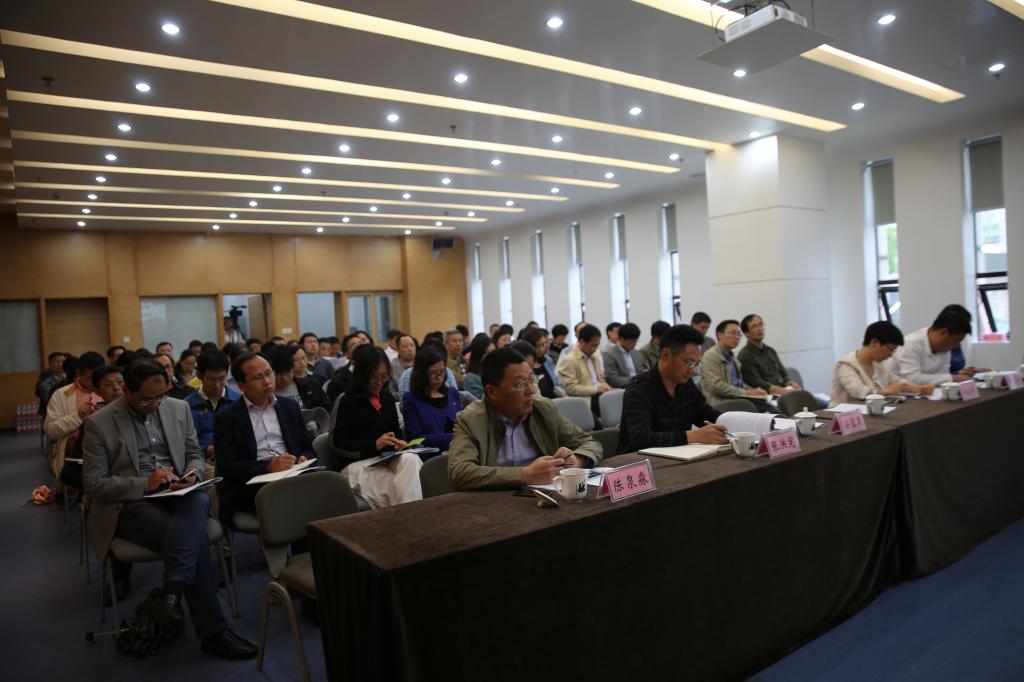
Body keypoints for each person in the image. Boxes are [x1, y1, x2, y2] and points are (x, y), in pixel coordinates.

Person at [84, 359, 257, 659]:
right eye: (145, 400)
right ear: (127, 391)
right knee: (194, 540)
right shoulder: (100, 422)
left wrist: (192, 473)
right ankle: (213, 631)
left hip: (177, 491)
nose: (154, 405)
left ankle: (171, 594)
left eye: (160, 397)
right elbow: (94, 484)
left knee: (199, 499)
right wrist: (145, 483)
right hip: (131, 503)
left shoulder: (178, 408)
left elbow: (194, 454)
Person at [448, 347, 602, 491]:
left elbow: (589, 443)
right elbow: (459, 472)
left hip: (544, 496)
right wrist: (525, 475)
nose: (530, 390)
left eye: (531, 380)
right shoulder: (470, 420)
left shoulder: (543, 409)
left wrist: (576, 461)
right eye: (520, 384)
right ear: (492, 392)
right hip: (494, 501)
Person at [214, 352, 314, 528]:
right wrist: (268, 466)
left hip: (293, 474)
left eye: (269, 373)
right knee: (295, 500)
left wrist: (303, 459)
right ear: (241, 385)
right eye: (258, 378)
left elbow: (307, 447)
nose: (267, 381)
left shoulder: (289, 407)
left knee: (328, 485)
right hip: (254, 483)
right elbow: (227, 466)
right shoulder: (227, 418)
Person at [331, 345, 423, 508]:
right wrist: (374, 444)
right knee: (395, 485)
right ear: (362, 375)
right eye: (374, 377)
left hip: (386, 458)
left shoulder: (387, 399)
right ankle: (414, 518)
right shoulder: (346, 401)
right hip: (357, 464)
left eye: (384, 376)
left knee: (411, 459)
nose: (379, 382)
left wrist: (398, 443)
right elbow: (338, 444)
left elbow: (394, 432)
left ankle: (408, 518)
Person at [617, 325, 727, 453]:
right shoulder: (639, 388)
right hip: (637, 461)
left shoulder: (686, 384)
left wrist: (732, 422)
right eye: (689, 363)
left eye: (696, 364)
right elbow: (640, 439)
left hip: (678, 456)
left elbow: (707, 414)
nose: (692, 370)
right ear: (666, 355)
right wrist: (692, 436)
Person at [831, 321, 934, 406]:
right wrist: (888, 391)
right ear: (874, 342)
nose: (891, 355)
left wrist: (919, 388)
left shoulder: (876, 364)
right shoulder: (845, 364)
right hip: (842, 418)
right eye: (890, 349)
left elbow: (896, 381)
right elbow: (859, 392)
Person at [59, 364, 125, 494]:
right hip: (107, 476)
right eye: (109, 384)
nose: (117, 388)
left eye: (120, 382)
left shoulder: (138, 410)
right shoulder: (94, 420)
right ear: (97, 391)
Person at [45, 351, 105, 479]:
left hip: (106, 454)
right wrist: (77, 416)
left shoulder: (110, 391)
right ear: (78, 373)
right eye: (91, 378)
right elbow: (51, 430)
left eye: (99, 377)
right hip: (75, 457)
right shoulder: (61, 394)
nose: (96, 383)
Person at [401, 346, 463, 452]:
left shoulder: (452, 393)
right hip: (432, 455)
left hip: (460, 450)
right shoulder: (411, 399)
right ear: (422, 373)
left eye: (442, 371)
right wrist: (453, 437)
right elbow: (416, 438)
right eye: (433, 372)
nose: (439, 377)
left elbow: (464, 425)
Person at [891, 309, 976, 385]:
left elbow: (943, 374)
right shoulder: (911, 343)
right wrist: (952, 378)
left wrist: (947, 378)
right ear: (944, 333)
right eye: (956, 341)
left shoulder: (944, 348)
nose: (957, 346)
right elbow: (912, 379)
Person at [700, 319, 769, 409]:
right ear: (719, 335)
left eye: (739, 334)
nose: (737, 337)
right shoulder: (710, 356)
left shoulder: (732, 357)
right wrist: (746, 393)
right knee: (763, 408)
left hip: (737, 399)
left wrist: (753, 390)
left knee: (768, 404)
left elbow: (739, 384)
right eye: (733, 333)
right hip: (720, 403)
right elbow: (716, 386)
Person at [184, 350, 240, 459]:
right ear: (199, 375)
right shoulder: (186, 406)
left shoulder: (239, 401)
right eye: (211, 379)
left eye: (222, 378)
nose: (217, 385)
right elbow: (183, 443)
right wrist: (206, 449)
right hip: (200, 460)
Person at [737, 314, 801, 395]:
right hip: (766, 395)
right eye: (754, 326)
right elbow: (757, 383)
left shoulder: (770, 351)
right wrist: (785, 392)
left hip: (782, 391)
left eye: (761, 324)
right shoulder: (745, 355)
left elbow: (784, 375)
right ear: (746, 333)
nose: (760, 328)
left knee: (809, 399)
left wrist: (792, 383)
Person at [557, 325, 612, 417]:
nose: (595, 349)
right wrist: (596, 389)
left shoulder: (595, 358)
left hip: (600, 397)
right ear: (582, 341)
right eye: (593, 345)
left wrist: (609, 389)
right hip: (585, 402)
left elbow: (601, 380)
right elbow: (570, 388)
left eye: (597, 346)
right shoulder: (570, 360)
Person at [271, 345, 330, 411]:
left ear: (292, 370)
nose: (284, 377)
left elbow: (326, 408)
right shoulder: (268, 392)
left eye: (287, 373)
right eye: (280, 374)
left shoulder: (308, 385)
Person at [521, 327, 566, 397]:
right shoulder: (525, 365)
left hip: (555, 399)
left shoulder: (548, 360)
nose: (541, 349)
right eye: (537, 346)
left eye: (543, 345)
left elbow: (557, 383)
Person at [602, 322, 647, 388]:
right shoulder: (609, 355)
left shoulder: (636, 353)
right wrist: (635, 380)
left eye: (636, 341)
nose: (635, 344)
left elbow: (643, 370)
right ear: (621, 339)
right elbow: (613, 379)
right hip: (624, 389)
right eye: (632, 341)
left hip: (641, 387)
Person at [462, 334, 493, 400]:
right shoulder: (471, 378)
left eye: (494, 352)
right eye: (487, 353)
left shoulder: (499, 371)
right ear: (478, 354)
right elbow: (480, 401)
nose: (492, 356)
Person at [389, 333, 418, 400]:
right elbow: (391, 390)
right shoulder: (392, 366)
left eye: (412, 345)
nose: (410, 349)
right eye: (405, 347)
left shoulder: (421, 363)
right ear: (398, 350)